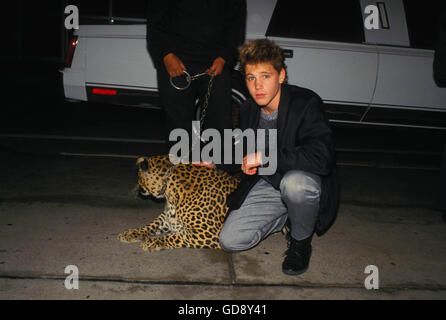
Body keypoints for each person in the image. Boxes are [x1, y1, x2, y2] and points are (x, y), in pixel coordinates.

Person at [198, 39, 340, 276]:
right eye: (251, 78)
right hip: (268, 183)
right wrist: (214, 162)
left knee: (295, 185)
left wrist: (265, 156)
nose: (258, 86)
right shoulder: (249, 109)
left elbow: (322, 156)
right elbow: (242, 151)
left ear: (281, 75)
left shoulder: (305, 103)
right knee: (230, 241)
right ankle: (287, 215)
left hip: (302, 183)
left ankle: (300, 241)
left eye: (266, 76)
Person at [146, 0, 246, 160]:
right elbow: (155, 23)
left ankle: (216, 178)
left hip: (215, 62)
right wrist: (165, 54)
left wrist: (224, 58)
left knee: (220, 126)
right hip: (176, 61)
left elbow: (236, 27)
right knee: (179, 128)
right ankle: (179, 178)